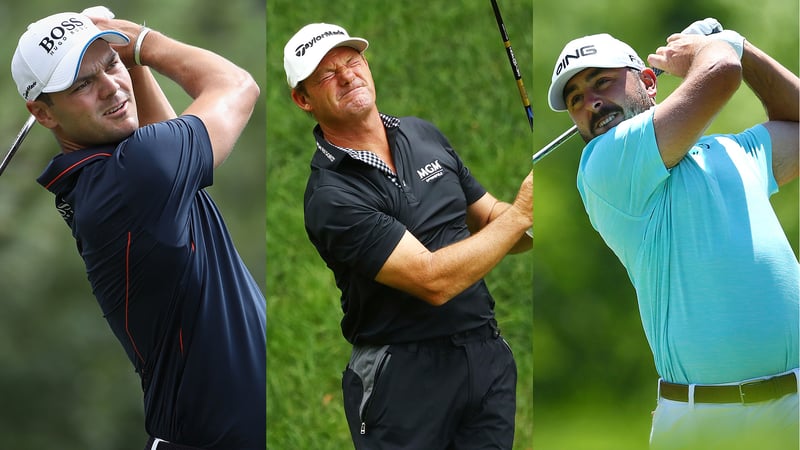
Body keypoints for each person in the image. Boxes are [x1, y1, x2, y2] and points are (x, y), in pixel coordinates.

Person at [11, 10, 265, 450]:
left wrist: (132, 63)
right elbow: (237, 84)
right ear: (43, 113)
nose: (110, 86)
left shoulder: (113, 177)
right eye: (81, 85)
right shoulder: (136, 177)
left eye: (110, 64)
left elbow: (167, 142)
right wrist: (142, 41)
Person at [547, 18, 799, 449]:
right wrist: (712, 50)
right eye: (576, 99)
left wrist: (739, 45)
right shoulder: (603, 166)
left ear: (649, 82)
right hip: (706, 422)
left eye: (602, 83)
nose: (590, 102)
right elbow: (719, 74)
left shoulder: (732, 151)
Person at [283, 22, 532, 449]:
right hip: (401, 378)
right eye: (326, 74)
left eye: (352, 61)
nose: (347, 76)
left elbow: (492, 216)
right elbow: (432, 280)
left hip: (483, 356)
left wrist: (538, 213)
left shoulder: (421, 133)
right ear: (303, 99)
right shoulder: (330, 196)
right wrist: (522, 213)